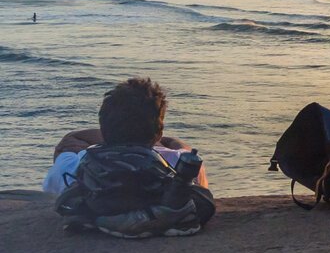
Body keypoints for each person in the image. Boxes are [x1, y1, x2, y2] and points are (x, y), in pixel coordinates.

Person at [43, 77, 210, 196]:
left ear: (103, 130)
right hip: (162, 217)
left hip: (96, 218)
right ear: (158, 132)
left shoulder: (74, 165)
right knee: (178, 147)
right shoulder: (181, 167)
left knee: (71, 140)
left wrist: (114, 132)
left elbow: (71, 139)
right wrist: (164, 141)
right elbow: (184, 151)